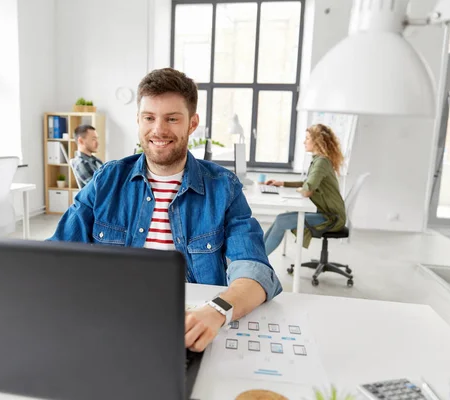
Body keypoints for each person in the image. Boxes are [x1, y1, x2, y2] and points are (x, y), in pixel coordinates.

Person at [49, 68, 281, 352]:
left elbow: (255, 270)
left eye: (172, 118)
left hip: (187, 325)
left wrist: (217, 310)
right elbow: (56, 253)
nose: (158, 130)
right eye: (149, 118)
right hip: (109, 318)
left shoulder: (223, 187)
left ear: (192, 123)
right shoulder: (106, 179)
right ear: (138, 120)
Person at [263, 124, 346, 255]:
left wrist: (300, 189)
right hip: (326, 212)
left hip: (331, 217)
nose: (304, 142)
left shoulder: (322, 162)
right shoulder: (319, 160)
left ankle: (255, 259)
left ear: (317, 141)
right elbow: (307, 184)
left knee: (281, 221)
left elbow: (307, 190)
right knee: (280, 218)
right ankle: (254, 255)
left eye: (307, 138)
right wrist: (283, 183)